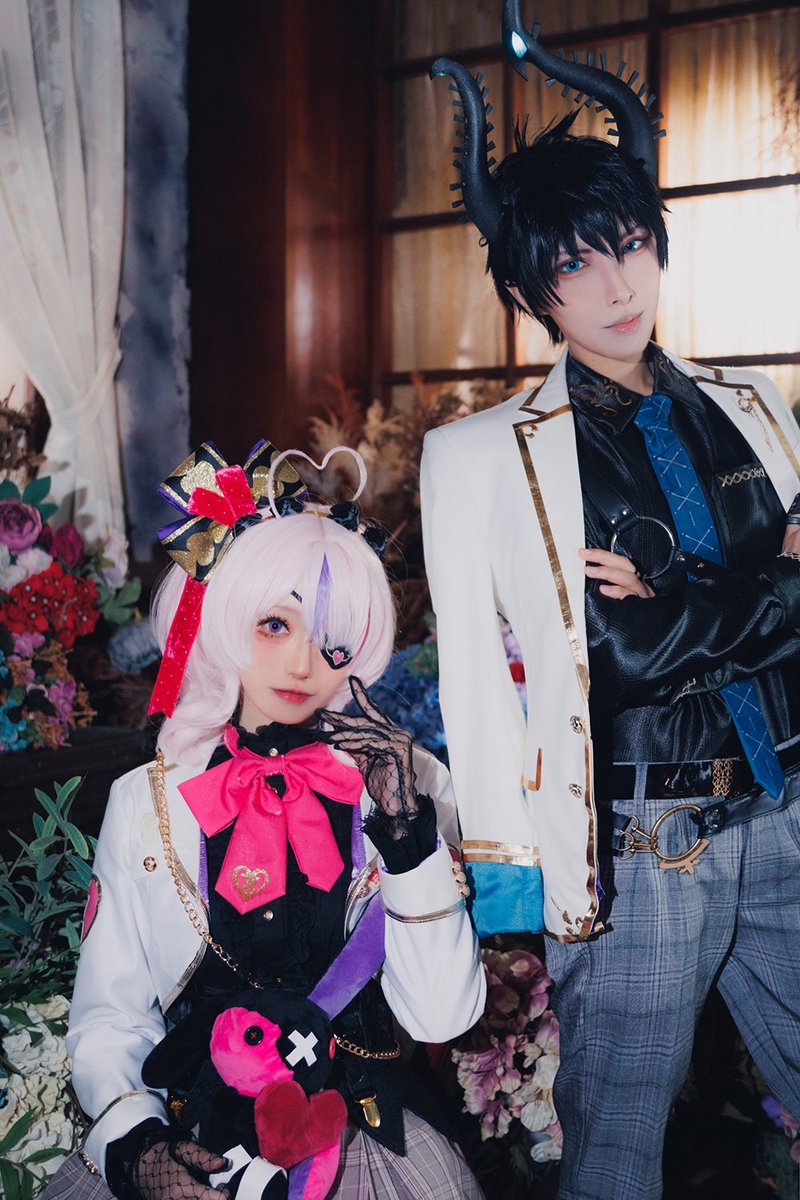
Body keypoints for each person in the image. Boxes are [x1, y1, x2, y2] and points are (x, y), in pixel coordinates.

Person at [421, 5, 800, 1198]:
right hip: (640, 847)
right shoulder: (480, 456)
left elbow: (656, 627)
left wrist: (677, 595)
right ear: (532, 291)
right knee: (617, 1151)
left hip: (785, 806)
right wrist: (775, 583)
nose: (614, 284)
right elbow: (610, 657)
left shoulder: (754, 406)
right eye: (573, 264)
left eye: (628, 243)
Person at [45, 439, 486, 1200]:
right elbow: (109, 1015)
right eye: (275, 625)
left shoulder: (409, 789)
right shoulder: (147, 801)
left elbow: (441, 1014)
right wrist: (137, 1144)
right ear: (221, 616)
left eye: (332, 639)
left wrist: (406, 837)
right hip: (192, 1147)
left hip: (366, 1141)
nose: (304, 664)